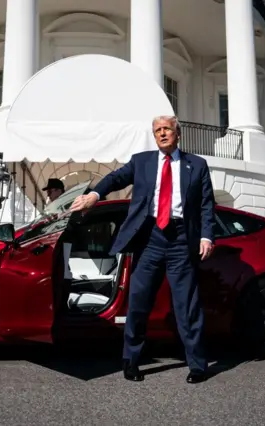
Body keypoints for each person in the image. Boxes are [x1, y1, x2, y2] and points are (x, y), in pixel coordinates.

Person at [69, 115, 216, 384]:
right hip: (150, 239)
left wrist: (206, 237)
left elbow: (207, 204)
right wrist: (94, 194)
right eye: (157, 130)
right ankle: (131, 360)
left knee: (187, 307)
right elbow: (115, 179)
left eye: (167, 130)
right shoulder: (142, 161)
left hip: (182, 241)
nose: (162, 134)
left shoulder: (196, 165)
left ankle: (197, 365)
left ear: (177, 134)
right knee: (138, 302)